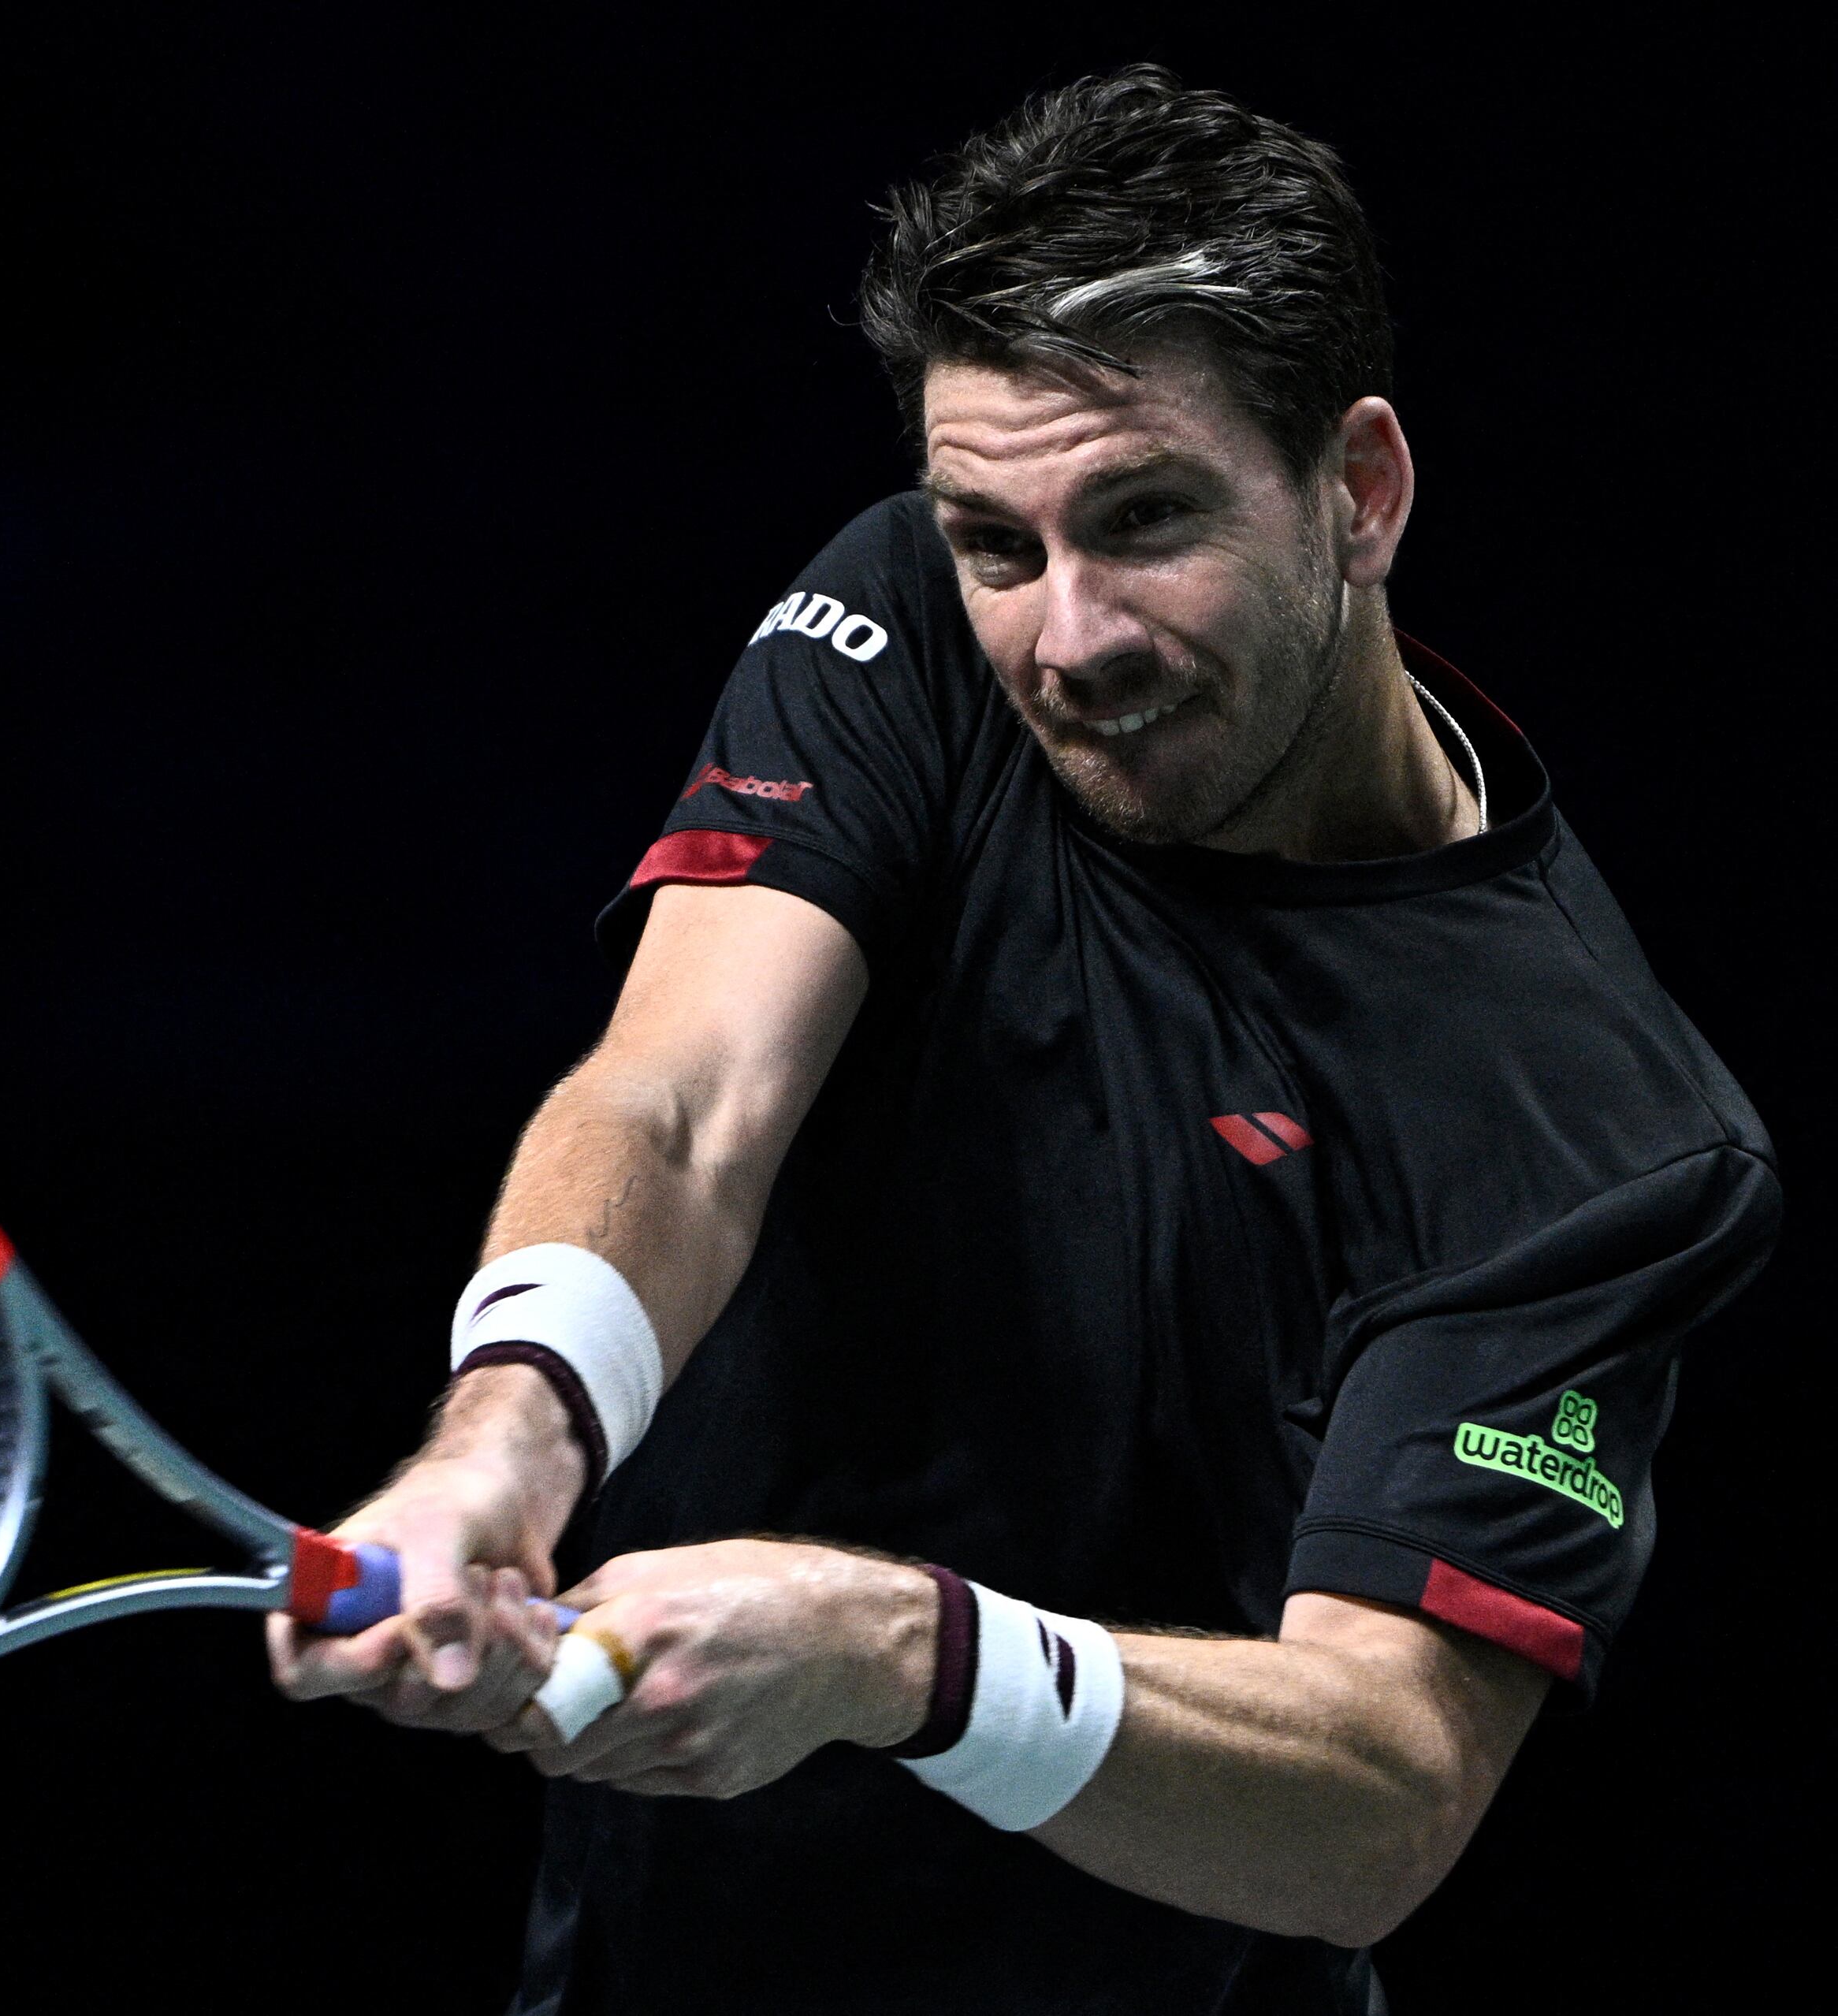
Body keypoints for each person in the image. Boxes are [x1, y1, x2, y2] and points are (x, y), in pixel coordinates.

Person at [267, 66, 1780, 2014]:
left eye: (1144, 519)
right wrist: (507, 1435)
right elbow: (684, 1094)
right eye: (997, 539)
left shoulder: (1595, 1134)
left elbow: (1377, 1797)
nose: (1066, 636)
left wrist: (901, 1654)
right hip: (664, 1953)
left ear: (1361, 490)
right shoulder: (903, 614)